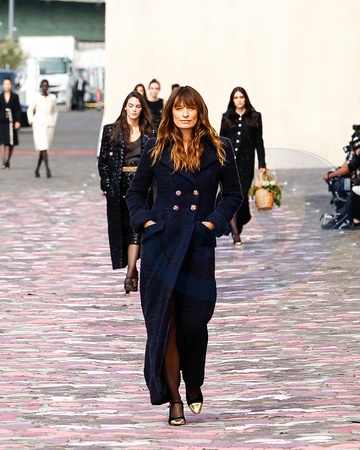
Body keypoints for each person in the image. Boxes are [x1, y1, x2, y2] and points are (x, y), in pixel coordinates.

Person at [125, 86, 242, 426]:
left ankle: (194, 380)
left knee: (194, 322)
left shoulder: (220, 148)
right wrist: (147, 223)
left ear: (199, 111)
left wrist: (212, 224)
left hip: (197, 246)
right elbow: (135, 194)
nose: (185, 114)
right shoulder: (155, 147)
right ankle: (174, 399)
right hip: (161, 246)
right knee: (166, 324)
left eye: (191, 108)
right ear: (171, 112)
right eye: (179, 108)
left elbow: (233, 194)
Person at [98, 91, 154, 294]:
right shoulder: (112, 131)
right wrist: (106, 184)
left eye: (138, 106)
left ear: (142, 109)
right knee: (122, 227)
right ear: (125, 107)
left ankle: (130, 274)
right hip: (119, 185)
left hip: (141, 186)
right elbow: (103, 161)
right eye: (131, 106)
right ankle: (132, 270)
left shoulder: (150, 132)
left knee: (136, 226)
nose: (134, 110)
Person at [220, 87, 266, 245]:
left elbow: (259, 141)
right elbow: (221, 141)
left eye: (241, 97)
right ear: (232, 100)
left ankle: (238, 224)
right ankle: (235, 233)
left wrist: (262, 163)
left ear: (245, 98)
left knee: (242, 197)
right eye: (236, 97)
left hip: (246, 163)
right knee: (231, 195)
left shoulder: (255, 116)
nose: (239, 100)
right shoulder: (227, 117)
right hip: (230, 163)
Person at [27, 79, 58, 178]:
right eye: (43, 86)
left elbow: (55, 111)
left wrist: (53, 121)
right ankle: (47, 169)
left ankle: (37, 169)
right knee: (43, 147)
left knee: (44, 148)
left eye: (46, 86)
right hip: (38, 125)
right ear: (41, 87)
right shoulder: (37, 98)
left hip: (49, 125)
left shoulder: (52, 98)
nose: (45, 88)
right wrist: (32, 121)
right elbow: (30, 110)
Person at [0, 77, 22, 170]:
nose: (6, 86)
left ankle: (8, 160)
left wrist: (18, 121)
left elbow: (18, 109)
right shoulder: (0, 97)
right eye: (5, 84)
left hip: (11, 122)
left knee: (11, 142)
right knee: (2, 142)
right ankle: (3, 161)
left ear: (11, 85)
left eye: (8, 84)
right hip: (2, 121)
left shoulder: (15, 96)